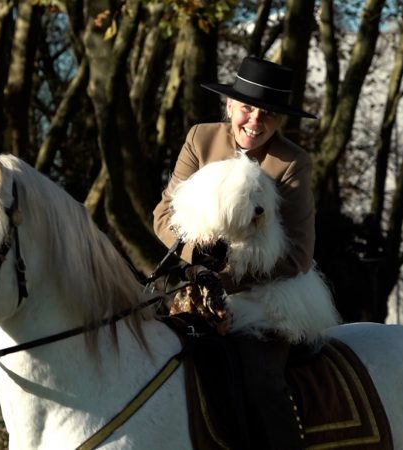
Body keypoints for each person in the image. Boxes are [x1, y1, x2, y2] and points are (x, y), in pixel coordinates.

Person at [152, 56, 317, 450]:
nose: (255, 121)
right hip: (194, 288)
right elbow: (163, 215)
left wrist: (226, 277)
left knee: (259, 380)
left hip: (266, 299)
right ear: (229, 106)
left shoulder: (292, 163)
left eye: (269, 114)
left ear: (280, 121)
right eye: (247, 108)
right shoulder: (200, 139)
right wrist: (198, 256)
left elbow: (299, 256)